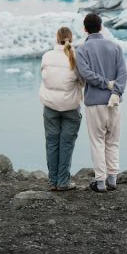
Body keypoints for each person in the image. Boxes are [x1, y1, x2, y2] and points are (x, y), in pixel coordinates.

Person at [75, 12, 127, 193]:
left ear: (84, 29)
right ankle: (113, 178)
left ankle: (100, 182)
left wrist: (104, 83)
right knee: (113, 140)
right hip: (114, 102)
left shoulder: (82, 50)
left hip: (94, 103)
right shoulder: (115, 47)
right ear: (101, 27)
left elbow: (85, 74)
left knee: (97, 141)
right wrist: (115, 91)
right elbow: (123, 74)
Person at [39, 26, 83, 191]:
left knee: (51, 142)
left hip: (50, 106)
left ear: (56, 38)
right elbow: (82, 80)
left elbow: (44, 75)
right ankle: (63, 182)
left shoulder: (47, 56)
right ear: (71, 39)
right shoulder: (75, 57)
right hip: (70, 108)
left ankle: (53, 181)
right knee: (66, 144)